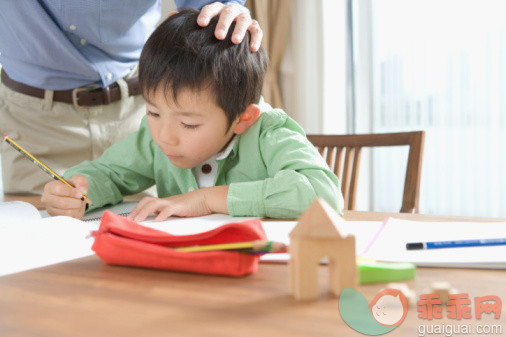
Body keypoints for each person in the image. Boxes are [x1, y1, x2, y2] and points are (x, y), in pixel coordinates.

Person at [41, 9, 344, 220]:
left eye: (188, 123)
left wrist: (206, 199)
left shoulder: (270, 133)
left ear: (243, 118)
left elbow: (324, 194)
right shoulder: (155, 138)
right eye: (152, 112)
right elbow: (107, 172)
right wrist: (76, 188)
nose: (164, 136)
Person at [0, 1, 262, 195]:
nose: (166, 137)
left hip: (137, 112)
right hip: (34, 123)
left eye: (190, 124)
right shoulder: (162, 133)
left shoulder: (157, 135)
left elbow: (208, 15)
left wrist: (224, 16)